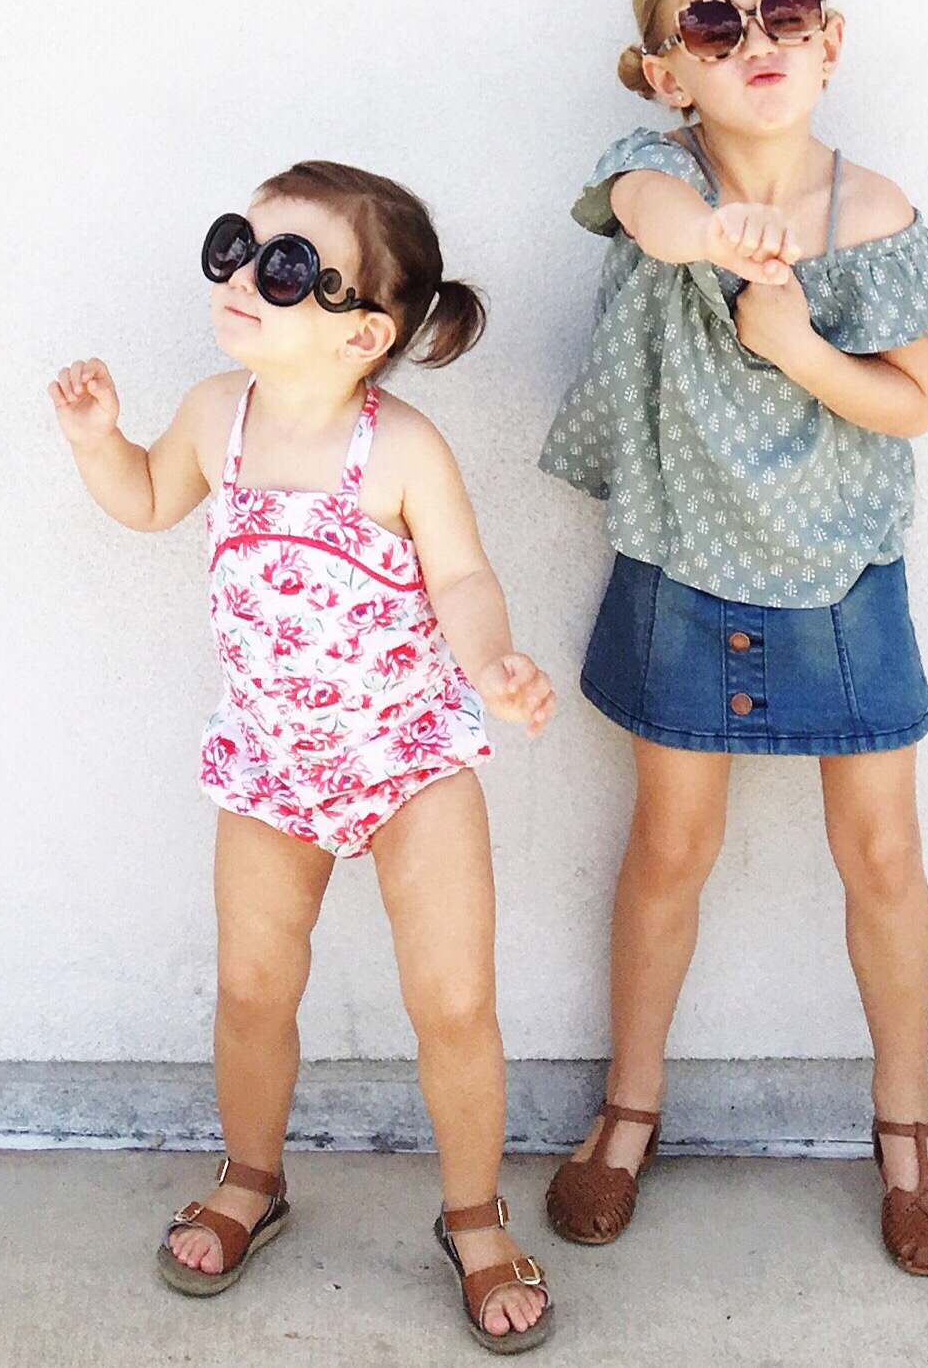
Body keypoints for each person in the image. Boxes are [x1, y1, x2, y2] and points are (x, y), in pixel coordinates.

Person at [51, 160, 558, 1350]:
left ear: (362, 332)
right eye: (234, 245)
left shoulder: (401, 449)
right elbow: (148, 496)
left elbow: (462, 577)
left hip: (407, 759)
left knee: (454, 1001)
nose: (241, 275)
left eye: (283, 267)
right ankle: (249, 1176)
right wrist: (97, 442)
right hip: (270, 762)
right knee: (251, 986)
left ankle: (475, 1215)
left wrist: (492, 660)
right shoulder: (211, 416)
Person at [540, 0, 928, 1278]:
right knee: (668, 845)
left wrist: (792, 341)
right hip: (681, 558)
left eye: (783, 11)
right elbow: (651, 217)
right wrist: (719, 236)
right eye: (711, 24)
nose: (754, 41)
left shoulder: (877, 214)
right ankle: (628, 1105)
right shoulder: (655, 172)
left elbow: (910, 403)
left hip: (840, 572)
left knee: (881, 852)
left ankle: (905, 1127)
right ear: (665, 72)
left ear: (828, 39)